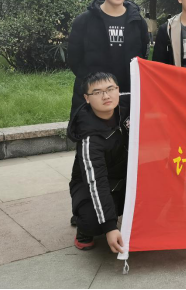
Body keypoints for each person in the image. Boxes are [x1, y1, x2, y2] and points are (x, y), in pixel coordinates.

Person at [68, 0, 150, 118]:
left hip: (128, 93)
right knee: (92, 131)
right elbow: (74, 58)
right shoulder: (84, 21)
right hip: (94, 94)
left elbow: (143, 56)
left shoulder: (138, 22)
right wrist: (93, 85)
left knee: (126, 132)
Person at [68, 72, 130, 253]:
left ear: (118, 90)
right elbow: (96, 182)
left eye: (110, 89)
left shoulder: (127, 103)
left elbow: (156, 92)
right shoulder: (89, 137)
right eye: (97, 92)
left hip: (125, 177)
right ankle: (83, 226)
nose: (106, 96)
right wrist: (110, 227)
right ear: (87, 98)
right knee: (94, 222)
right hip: (91, 184)